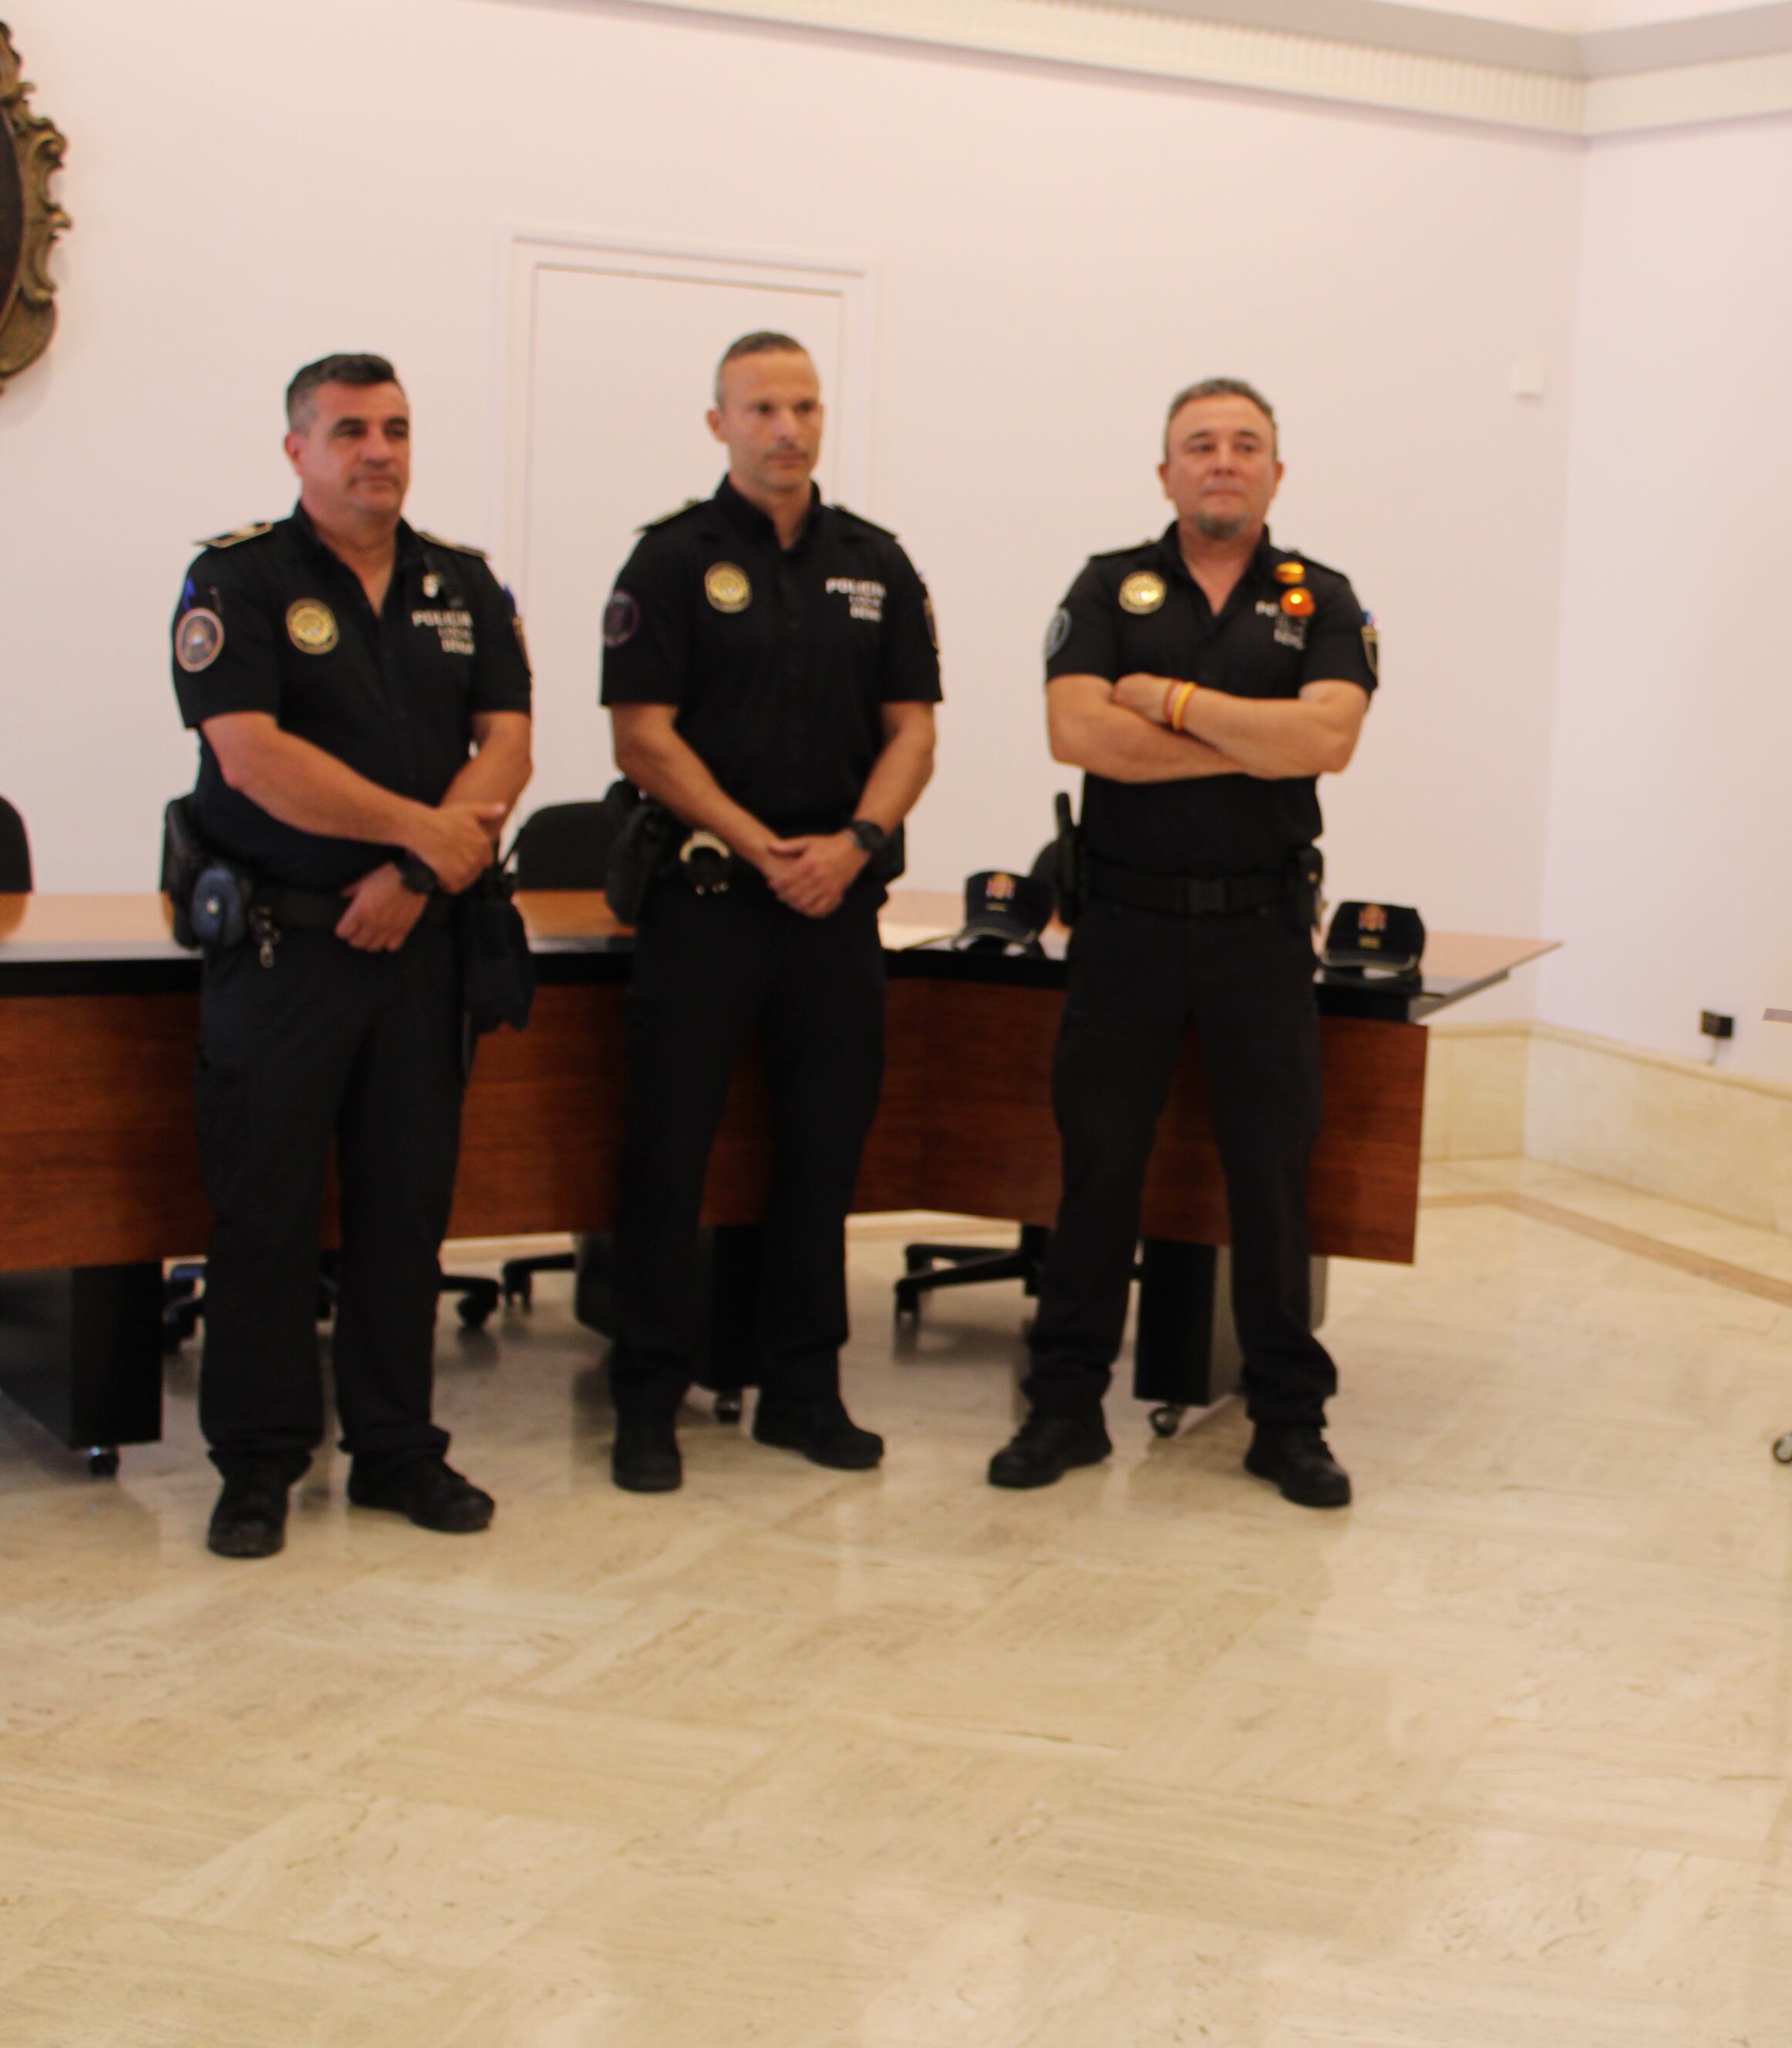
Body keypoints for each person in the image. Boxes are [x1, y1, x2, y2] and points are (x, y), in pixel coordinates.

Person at [169, 353, 534, 1559]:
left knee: (403, 1211)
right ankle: (260, 1465)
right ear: (297, 451)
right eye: (347, 431)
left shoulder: (463, 584)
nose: (376, 450)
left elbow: (510, 742)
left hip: (418, 947)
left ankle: (394, 1450)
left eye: (395, 428)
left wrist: (422, 873)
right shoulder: (240, 578)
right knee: (266, 1215)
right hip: (286, 950)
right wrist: (415, 831)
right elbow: (252, 757)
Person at [990, 377, 1375, 1509]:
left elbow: (1332, 739)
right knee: (1100, 1167)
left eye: (1245, 445)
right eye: (1199, 445)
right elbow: (1076, 731)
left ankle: (1287, 1422)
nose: (1222, 461)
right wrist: (1256, 739)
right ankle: (1065, 1408)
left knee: (1271, 1178)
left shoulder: (1324, 597)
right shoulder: (1109, 584)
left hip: (1261, 930)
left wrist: (1162, 702)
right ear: (1165, 473)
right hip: (1125, 927)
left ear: (1276, 473)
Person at [598, 332, 939, 1492]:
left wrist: (853, 847)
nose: (786, 428)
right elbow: (642, 738)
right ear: (718, 425)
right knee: (668, 1157)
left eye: (803, 407)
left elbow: (913, 731)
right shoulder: (669, 559)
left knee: (822, 1158)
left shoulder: (877, 564)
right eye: (760, 409)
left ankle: (804, 1392)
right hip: (705, 902)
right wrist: (762, 847)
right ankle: (646, 1400)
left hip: (834, 908)